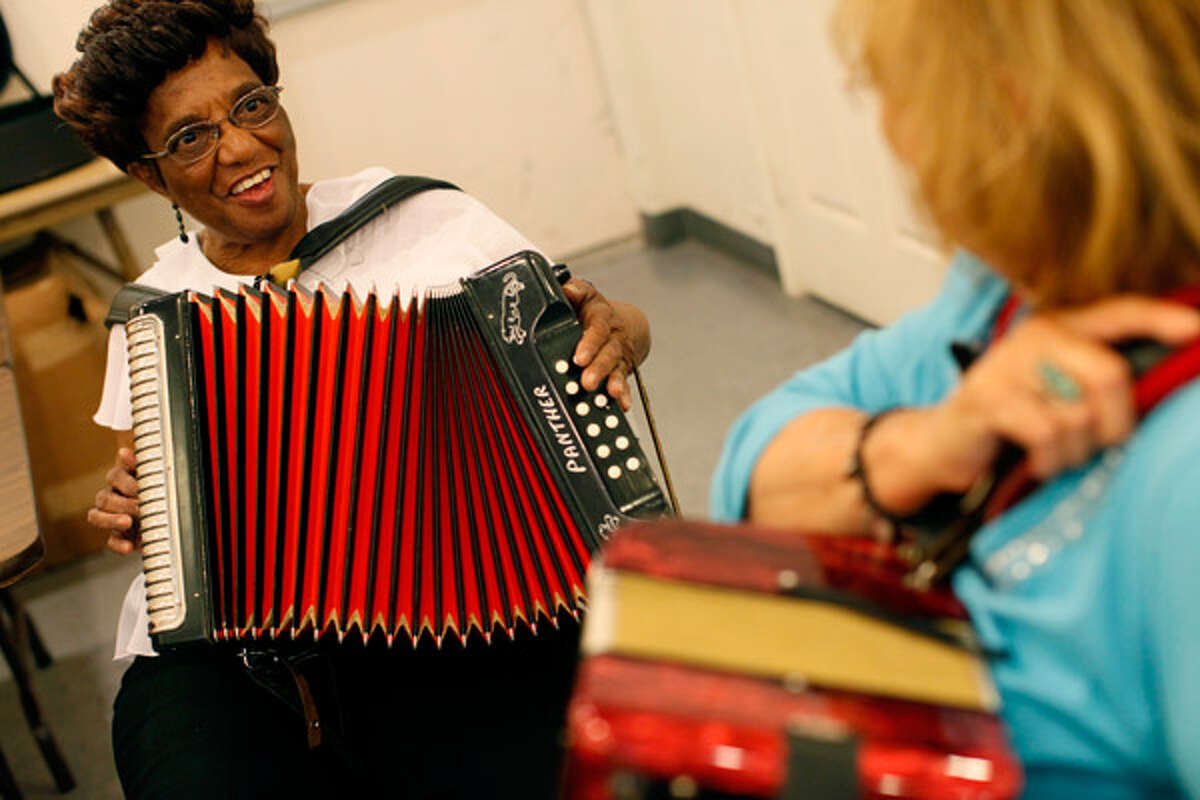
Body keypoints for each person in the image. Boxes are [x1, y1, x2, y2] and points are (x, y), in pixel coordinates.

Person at [54, 1, 650, 797]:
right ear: (147, 173)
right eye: (190, 138)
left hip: (465, 601)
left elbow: (595, 326)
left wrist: (622, 330)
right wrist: (136, 503)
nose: (241, 147)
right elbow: (144, 477)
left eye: (251, 105)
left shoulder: (431, 223)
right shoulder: (158, 311)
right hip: (243, 639)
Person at [711, 2, 1200, 797]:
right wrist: (924, 444)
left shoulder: (1185, 479)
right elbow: (750, 472)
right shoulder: (1001, 294)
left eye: (901, 94)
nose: (898, 136)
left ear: (1014, 108)